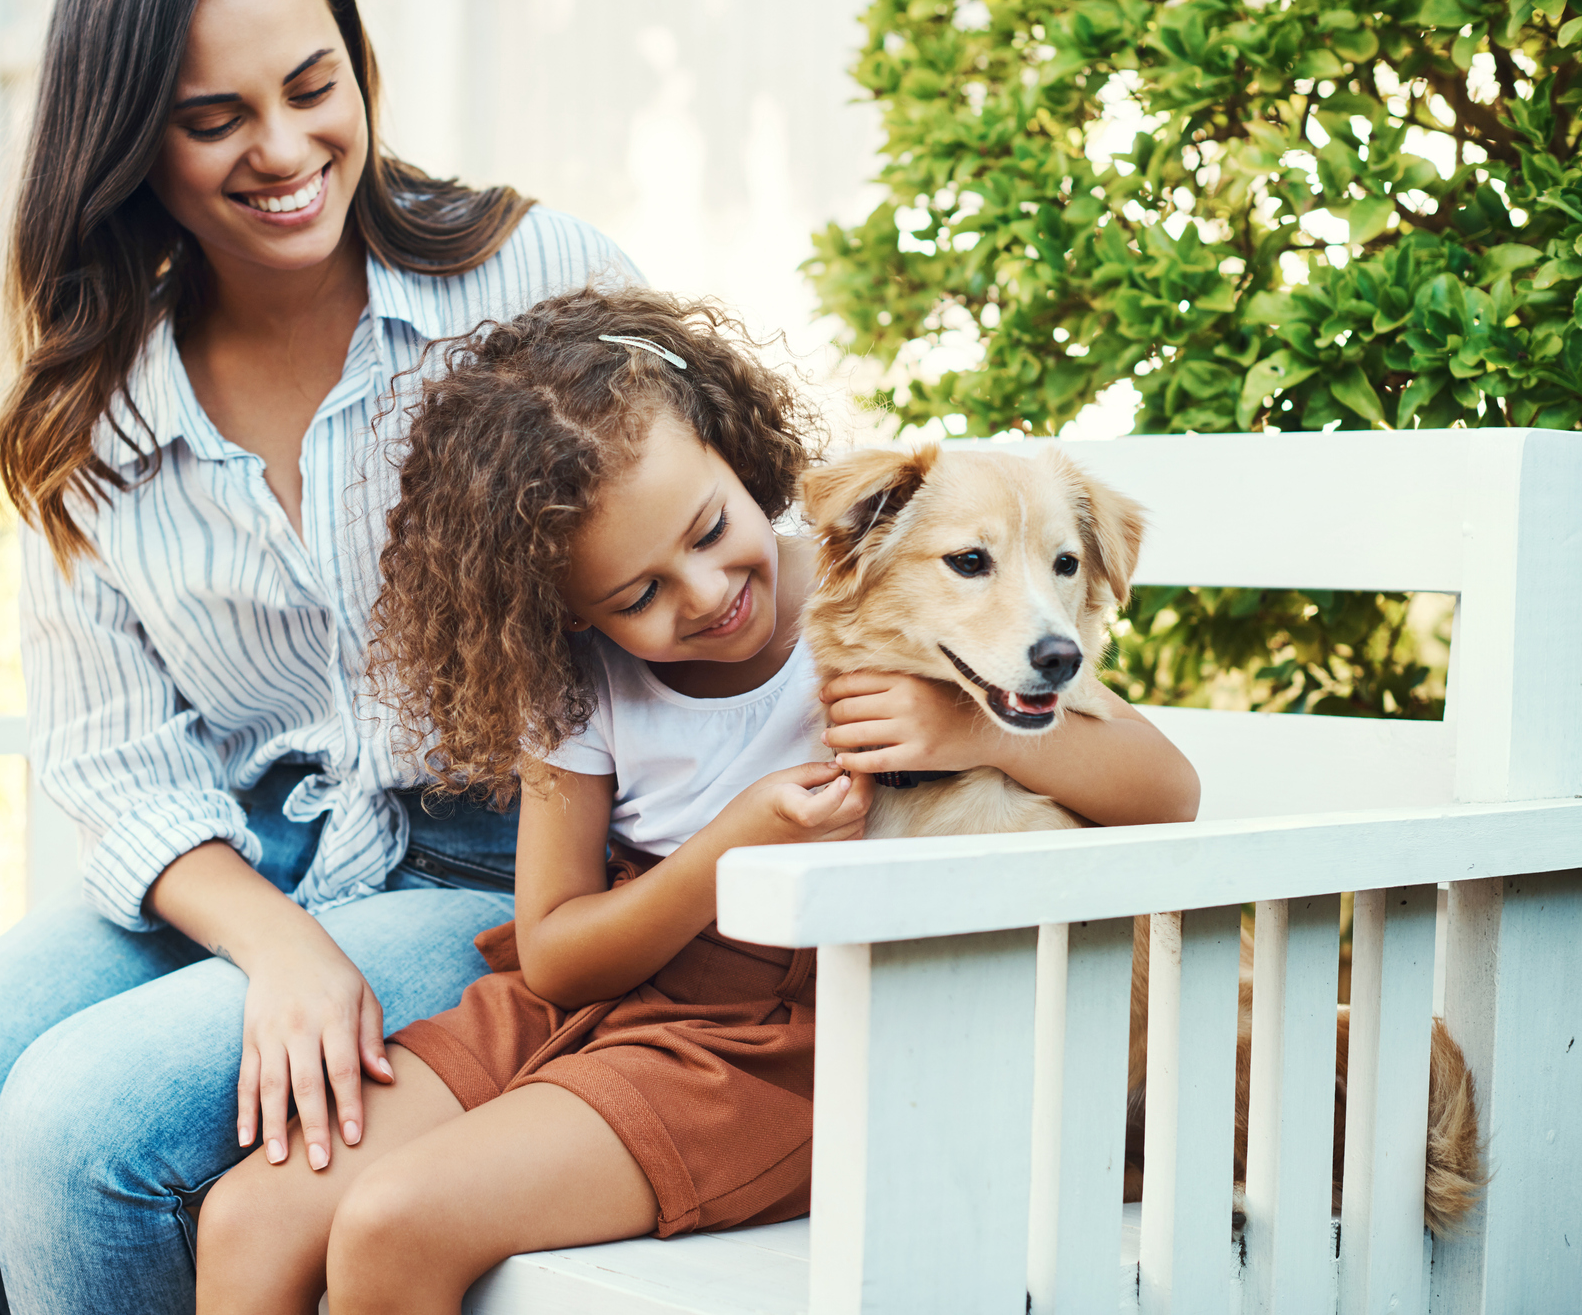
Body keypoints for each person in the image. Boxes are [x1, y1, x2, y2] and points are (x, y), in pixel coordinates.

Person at [0, 0, 634, 1311]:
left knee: (87, 1134)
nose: (286, 148)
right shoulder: (95, 399)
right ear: (128, 139)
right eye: (214, 119)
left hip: (495, 869)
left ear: (358, 67)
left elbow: (719, 544)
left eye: (314, 88)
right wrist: (278, 941)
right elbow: (113, 758)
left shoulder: (530, 278)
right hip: (247, 863)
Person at [190, 287, 1201, 1315]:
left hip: (774, 1038)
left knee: (393, 1221)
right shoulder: (579, 683)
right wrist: (734, 842)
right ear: (562, 610)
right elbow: (557, 953)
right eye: (637, 595)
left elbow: (1166, 789)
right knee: (248, 1219)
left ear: (732, 449)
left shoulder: (905, 598)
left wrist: (962, 729)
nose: (707, 593)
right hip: (594, 993)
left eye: (711, 529)